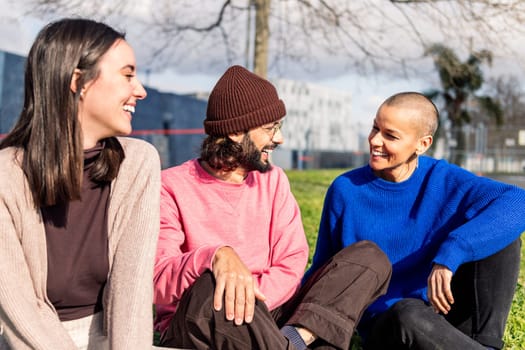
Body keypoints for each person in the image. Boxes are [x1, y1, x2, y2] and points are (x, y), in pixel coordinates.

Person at [153, 65, 391, 350]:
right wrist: (215, 257)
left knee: (369, 258)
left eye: (278, 127)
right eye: (269, 129)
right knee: (210, 286)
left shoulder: (273, 180)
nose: (279, 138)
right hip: (206, 318)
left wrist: (251, 298)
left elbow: (291, 263)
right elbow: (157, 278)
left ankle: (291, 341)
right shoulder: (169, 186)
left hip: (270, 312)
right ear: (235, 133)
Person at [307, 91, 524, 350]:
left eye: (391, 136)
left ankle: (483, 344)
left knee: (500, 238)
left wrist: (452, 252)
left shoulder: (442, 178)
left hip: (442, 313)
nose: (375, 140)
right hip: (388, 325)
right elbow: (323, 267)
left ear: (422, 144)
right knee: (408, 313)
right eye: (375, 127)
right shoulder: (346, 189)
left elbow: (517, 201)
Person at [0, 18, 161, 349]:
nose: (140, 90)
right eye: (128, 75)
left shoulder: (138, 164)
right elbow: (19, 311)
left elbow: (131, 297)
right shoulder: (6, 177)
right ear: (79, 81)